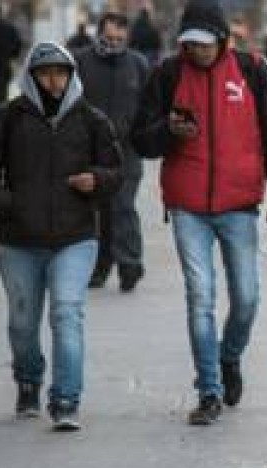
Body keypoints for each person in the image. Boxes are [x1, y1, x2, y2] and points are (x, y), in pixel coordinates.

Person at [131, 0, 267, 426]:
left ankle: (229, 357)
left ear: (223, 40)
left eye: (204, 44)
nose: (197, 51)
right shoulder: (168, 74)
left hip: (240, 204)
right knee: (200, 296)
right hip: (187, 207)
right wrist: (169, 131)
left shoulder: (255, 70)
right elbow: (140, 140)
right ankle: (208, 390)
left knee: (246, 297)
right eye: (190, 44)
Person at [0, 42, 123, 430]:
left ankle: (66, 399)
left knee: (66, 314)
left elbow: (116, 171)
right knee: (22, 324)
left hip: (75, 237)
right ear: (31, 76)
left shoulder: (91, 119)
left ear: (71, 74)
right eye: (45, 73)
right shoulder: (10, 117)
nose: (54, 80)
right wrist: (8, 203)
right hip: (19, 240)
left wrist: (97, 180)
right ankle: (29, 381)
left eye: (61, 72)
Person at [76, 12, 150, 292]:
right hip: (91, 150)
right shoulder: (81, 62)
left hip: (127, 151)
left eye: (119, 39)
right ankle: (99, 266)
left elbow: (148, 105)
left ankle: (130, 262)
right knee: (98, 211)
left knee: (122, 206)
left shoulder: (138, 64)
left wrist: (144, 135)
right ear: (98, 34)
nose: (114, 44)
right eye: (108, 39)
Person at [0, 6, 22, 103]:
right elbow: (17, 49)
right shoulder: (10, 29)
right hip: (3, 68)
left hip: (3, 68)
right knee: (1, 97)